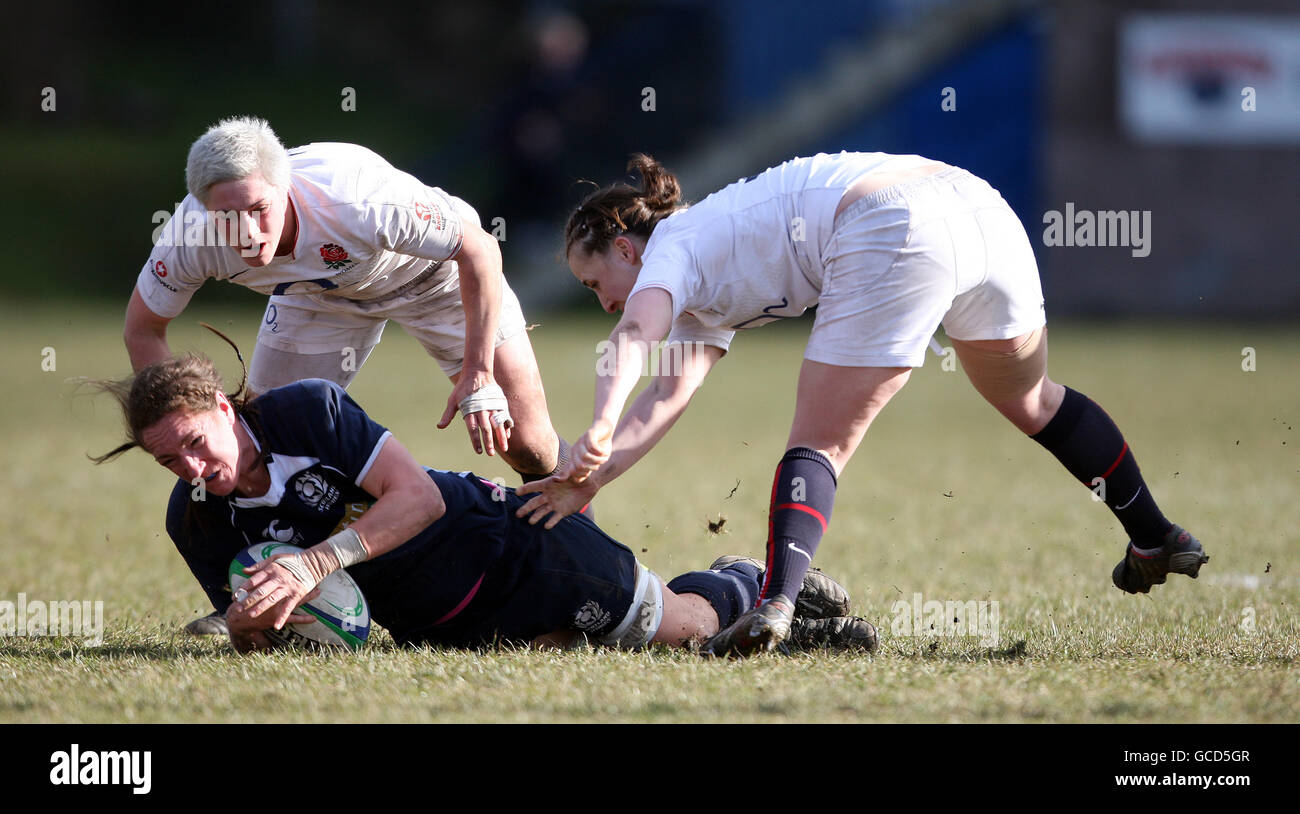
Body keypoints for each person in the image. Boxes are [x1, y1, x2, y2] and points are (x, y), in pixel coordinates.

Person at [515, 152, 1210, 656]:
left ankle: (775, 606)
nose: (601, 298)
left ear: (627, 249)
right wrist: (592, 478)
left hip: (894, 223)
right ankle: (1154, 535)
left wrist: (598, 425)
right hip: (977, 206)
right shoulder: (703, 283)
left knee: (819, 443)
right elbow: (665, 396)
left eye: (592, 279)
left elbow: (635, 333)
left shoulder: (673, 246)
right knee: (1031, 397)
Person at [88, 352, 878, 654]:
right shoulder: (192, 517)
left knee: (681, 633)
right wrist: (254, 618)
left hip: (505, 540)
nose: (193, 467)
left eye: (196, 441)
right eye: (169, 460)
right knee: (556, 656)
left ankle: (743, 579)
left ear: (225, 410)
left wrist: (320, 559)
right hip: (437, 620)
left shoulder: (304, 412)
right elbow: (251, 630)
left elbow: (420, 499)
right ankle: (754, 605)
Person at [127, 116, 577, 635]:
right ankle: (253, 586)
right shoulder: (189, 233)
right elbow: (143, 328)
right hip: (317, 298)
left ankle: (578, 560)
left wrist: (479, 376)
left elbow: (480, 250)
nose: (245, 234)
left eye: (258, 211)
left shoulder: (355, 199)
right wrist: (187, 422)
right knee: (256, 444)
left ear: (284, 187)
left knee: (526, 443)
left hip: (436, 278)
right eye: (227, 218)